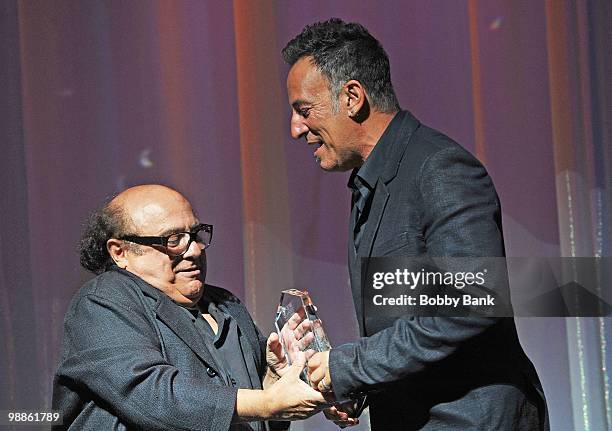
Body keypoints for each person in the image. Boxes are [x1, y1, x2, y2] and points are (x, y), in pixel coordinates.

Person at [282, 19, 549, 430]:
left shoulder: (439, 168)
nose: (296, 129)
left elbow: (471, 303)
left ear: (353, 97)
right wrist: (357, 388)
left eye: (304, 110)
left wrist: (351, 366)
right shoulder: (371, 183)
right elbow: (409, 317)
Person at [52, 184, 327, 431]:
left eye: (195, 234)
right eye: (173, 240)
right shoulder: (103, 301)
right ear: (120, 252)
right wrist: (266, 402)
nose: (194, 250)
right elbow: (151, 395)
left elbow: (254, 413)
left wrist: (274, 380)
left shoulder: (227, 305)